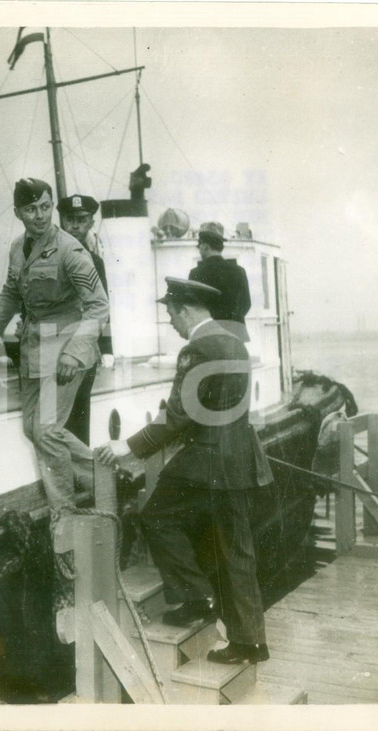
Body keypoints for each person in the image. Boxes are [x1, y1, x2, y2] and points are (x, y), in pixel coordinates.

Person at [96, 277, 273, 665]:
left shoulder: (197, 348)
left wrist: (126, 446)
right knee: (237, 550)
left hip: (208, 462)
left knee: (156, 516)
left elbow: (179, 414)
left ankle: (197, 598)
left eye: (171, 313)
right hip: (241, 460)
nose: (171, 322)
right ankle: (251, 641)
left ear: (187, 310)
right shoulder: (234, 344)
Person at [0, 178, 109, 508]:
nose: (40, 215)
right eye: (31, 209)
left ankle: (64, 510)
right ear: (18, 212)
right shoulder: (17, 248)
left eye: (45, 207)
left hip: (65, 350)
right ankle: (106, 477)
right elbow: (10, 292)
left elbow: (98, 305)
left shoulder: (71, 250)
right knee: (31, 428)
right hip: (34, 350)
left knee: (48, 430)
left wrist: (76, 353)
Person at [57, 193, 114, 445]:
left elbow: (102, 308)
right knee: (55, 419)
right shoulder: (47, 256)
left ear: (91, 221)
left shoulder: (96, 262)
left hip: (83, 351)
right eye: (70, 219)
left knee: (79, 415)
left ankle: (79, 480)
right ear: (62, 221)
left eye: (81, 219)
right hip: (53, 345)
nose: (75, 225)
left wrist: (107, 348)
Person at [188, 221, 251, 341]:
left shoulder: (196, 273)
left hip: (207, 337)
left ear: (205, 246)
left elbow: (193, 307)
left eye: (199, 247)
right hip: (236, 335)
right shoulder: (239, 271)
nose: (199, 250)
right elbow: (246, 304)